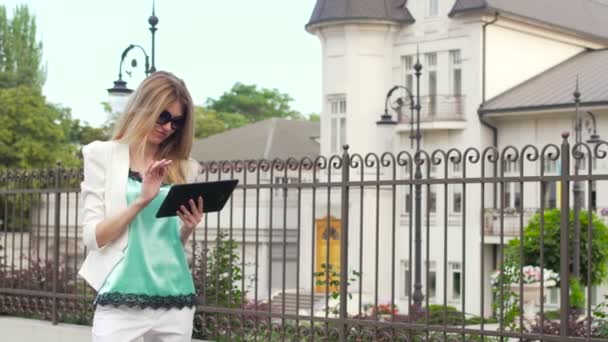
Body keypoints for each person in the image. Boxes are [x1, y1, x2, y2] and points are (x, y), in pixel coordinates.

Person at [78, 71, 203, 342]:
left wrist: (187, 229)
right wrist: (142, 199)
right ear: (143, 108)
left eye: (177, 122)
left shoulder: (183, 167)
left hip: (175, 297)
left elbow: (166, 241)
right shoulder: (102, 155)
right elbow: (93, 237)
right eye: (163, 116)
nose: (169, 127)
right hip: (121, 297)